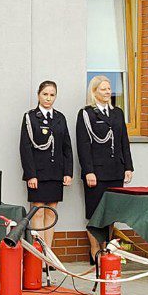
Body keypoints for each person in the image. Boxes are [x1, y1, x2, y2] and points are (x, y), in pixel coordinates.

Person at [76, 75, 134, 257]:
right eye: (103, 89)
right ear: (94, 92)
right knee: (95, 213)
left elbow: (124, 141)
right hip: (97, 172)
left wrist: (128, 167)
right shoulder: (86, 114)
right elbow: (83, 145)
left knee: (111, 213)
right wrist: (89, 171)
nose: (108, 92)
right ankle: (95, 250)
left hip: (115, 170)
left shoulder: (117, 113)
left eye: (109, 88)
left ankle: (107, 250)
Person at [18, 80, 73, 255]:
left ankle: (48, 253)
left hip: (56, 172)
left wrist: (68, 172)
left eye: (52, 95)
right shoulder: (30, 117)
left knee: (51, 212)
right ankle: (38, 252)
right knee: (38, 211)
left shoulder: (60, 117)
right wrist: (30, 175)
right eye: (45, 94)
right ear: (38, 95)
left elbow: (67, 147)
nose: (48, 98)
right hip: (38, 173)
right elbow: (25, 148)